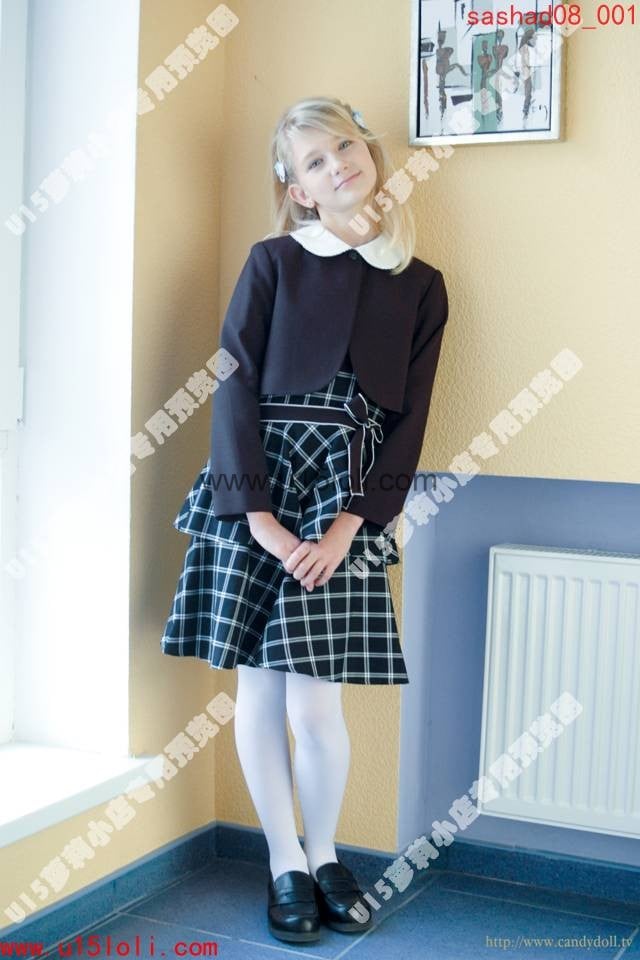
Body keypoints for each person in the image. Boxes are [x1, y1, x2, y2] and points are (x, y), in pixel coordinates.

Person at [160, 95, 449, 944]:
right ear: (298, 189)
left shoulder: (422, 284)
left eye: (346, 147)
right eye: (314, 161)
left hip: (344, 505)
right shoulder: (274, 262)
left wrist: (348, 525)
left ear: (372, 155)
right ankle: (283, 861)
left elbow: (410, 423)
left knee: (318, 706)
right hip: (258, 494)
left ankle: (324, 857)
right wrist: (259, 520)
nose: (337, 165)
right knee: (259, 689)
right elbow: (234, 385)